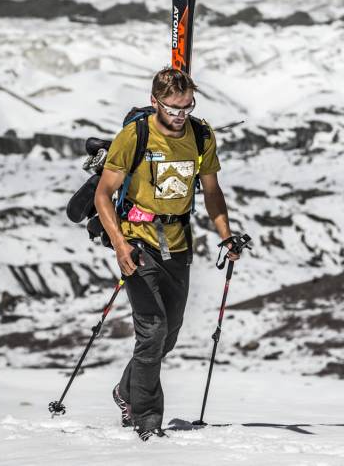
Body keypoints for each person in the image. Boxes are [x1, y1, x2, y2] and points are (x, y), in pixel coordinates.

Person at [94, 67, 240, 441]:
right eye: (174, 109)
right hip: (138, 242)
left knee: (168, 336)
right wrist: (119, 244)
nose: (180, 116)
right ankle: (145, 417)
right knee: (152, 331)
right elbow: (103, 194)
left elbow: (211, 190)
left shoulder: (201, 134)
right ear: (154, 102)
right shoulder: (135, 135)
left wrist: (226, 236)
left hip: (178, 243)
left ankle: (125, 390)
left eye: (187, 107)